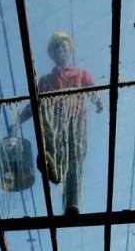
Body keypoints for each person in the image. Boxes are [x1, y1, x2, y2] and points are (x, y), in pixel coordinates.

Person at [11, 31, 103, 215]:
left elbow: (93, 89)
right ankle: (49, 166)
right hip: (54, 123)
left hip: (76, 121)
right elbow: (34, 104)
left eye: (64, 46)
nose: (61, 49)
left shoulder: (80, 73)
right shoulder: (46, 81)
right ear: (51, 54)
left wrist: (98, 101)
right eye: (57, 47)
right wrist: (19, 120)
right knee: (54, 151)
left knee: (75, 160)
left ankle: (71, 203)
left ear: (69, 51)